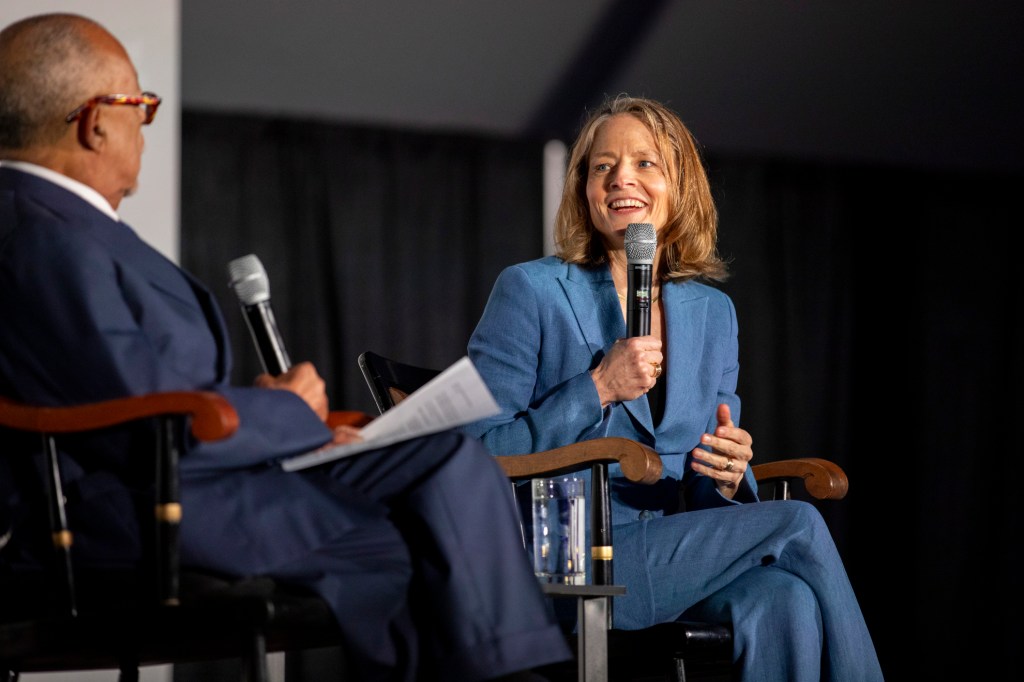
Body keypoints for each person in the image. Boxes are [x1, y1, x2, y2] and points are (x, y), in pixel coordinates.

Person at [0, 13, 570, 682]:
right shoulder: (43, 237)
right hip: (146, 505)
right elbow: (148, 419)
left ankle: (518, 670)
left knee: (449, 457)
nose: (144, 126)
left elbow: (150, 395)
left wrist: (271, 417)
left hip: (216, 470)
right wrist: (288, 416)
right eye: (141, 106)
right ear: (97, 120)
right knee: (410, 545)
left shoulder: (67, 228)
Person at [464, 94, 884, 681]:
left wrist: (730, 473)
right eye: (602, 166)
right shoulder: (530, 291)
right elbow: (475, 454)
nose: (621, 180)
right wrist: (598, 387)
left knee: (784, 603)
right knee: (799, 523)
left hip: (667, 556)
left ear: (680, 186)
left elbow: (707, 494)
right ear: (584, 187)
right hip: (565, 557)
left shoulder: (712, 313)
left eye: (645, 163)